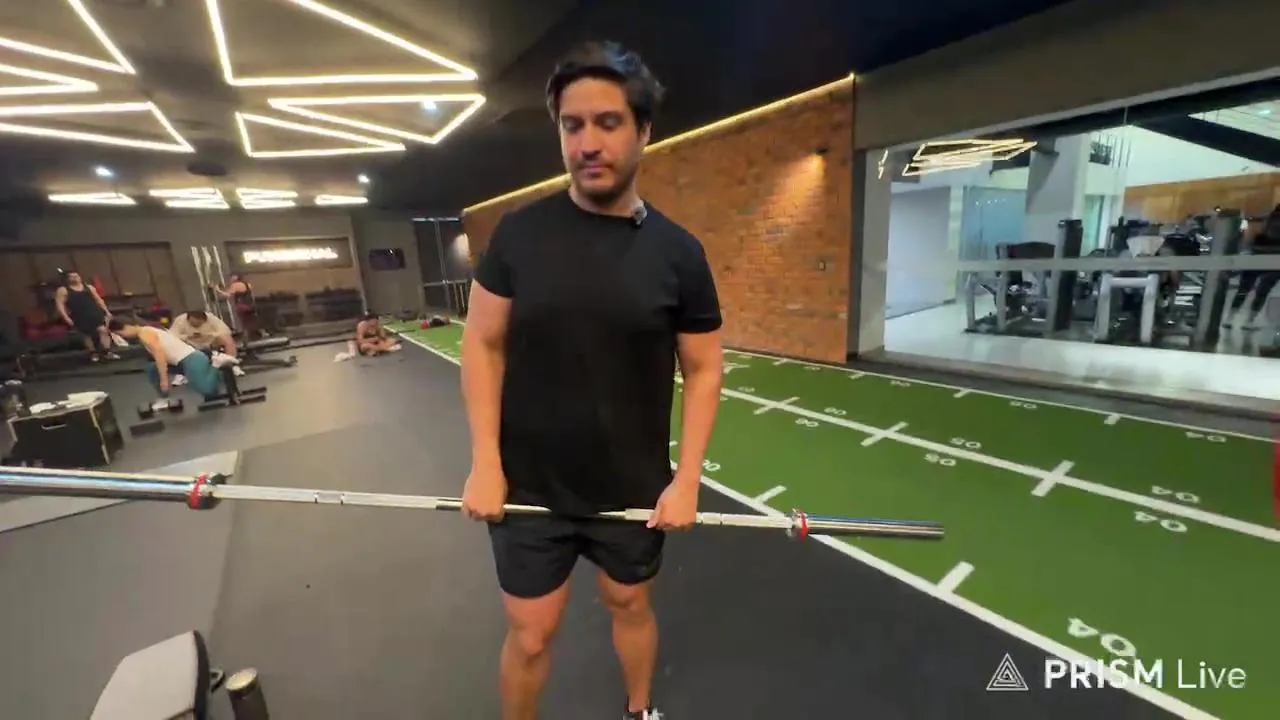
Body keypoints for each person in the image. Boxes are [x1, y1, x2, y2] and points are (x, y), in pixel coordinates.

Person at [459, 41, 724, 720]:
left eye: (608, 123)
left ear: (644, 131)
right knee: (530, 632)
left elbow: (703, 368)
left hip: (631, 486)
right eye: (572, 125)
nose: (588, 143)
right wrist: (485, 462)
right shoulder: (518, 235)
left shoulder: (680, 254)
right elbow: (483, 343)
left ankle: (639, 710)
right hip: (528, 486)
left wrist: (687, 479)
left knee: (629, 603)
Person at [108, 318, 235, 401]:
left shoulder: (145, 333)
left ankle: (216, 364)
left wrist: (164, 380)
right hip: (181, 362)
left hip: (192, 359)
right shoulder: (147, 332)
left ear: (128, 326)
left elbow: (160, 356)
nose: (123, 337)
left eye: (121, 334)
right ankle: (164, 399)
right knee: (152, 368)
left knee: (208, 391)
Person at [1226, 204, 1280, 330]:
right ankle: (1248, 320)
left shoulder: (1263, 224)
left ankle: (1231, 318)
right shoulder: (1264, 224)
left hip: (1257, 258)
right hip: (1274, 262)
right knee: (1262, 291)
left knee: (1244, 289)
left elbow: (1249, 243)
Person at [54, 271, 119, 362]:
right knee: (86, 335)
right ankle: (93, 353)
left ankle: (107, 352)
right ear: (67, 279)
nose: (74, 278)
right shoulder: (63, 290)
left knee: (103, 330)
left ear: (80, 277)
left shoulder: (89, 287)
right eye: (71, 276)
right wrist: (66, 318)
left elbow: (98, 300)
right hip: (79, 315)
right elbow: (60, 305)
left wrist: (106, 311)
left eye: (76, 276)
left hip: (94, 312)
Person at [171, 310, 245, 378]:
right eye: (193, 324)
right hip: (189, 343)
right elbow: (172, 336)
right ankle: (181, 373)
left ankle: (233, 364)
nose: (196, 327)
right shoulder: (180, 320)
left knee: (226, 338)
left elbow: (226, 331)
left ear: (204, 320)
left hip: (209, 341)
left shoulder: (212, 319)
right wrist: (188, 336)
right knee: (175, 343)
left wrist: (208, 334)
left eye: (198, 324)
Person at [212, 274, 261, 339]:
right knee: (250, 322)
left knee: (243, 324)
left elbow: (227, 295)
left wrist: (217, 289)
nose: (230, 280)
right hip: (250, 306)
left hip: (241, 307)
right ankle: (255, 336)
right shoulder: (247, 284)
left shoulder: (235, 285)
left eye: (231, 278)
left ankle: (246, 338)